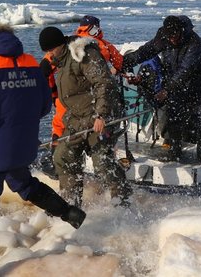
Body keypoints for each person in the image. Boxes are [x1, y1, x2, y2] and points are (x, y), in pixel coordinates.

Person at [0, 23, 86, 277]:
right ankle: (71, 213)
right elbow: (45, 104)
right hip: (21, 147)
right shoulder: (29, 61)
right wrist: (18, 124)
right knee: (26, 185)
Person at [38, 26, 132, 207]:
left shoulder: (83, 54)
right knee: (63, 156)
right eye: (47, 51)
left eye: (51, 49)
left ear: (61, 44)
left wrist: (101, 115)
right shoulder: (60, 60)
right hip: (76, 119)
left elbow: (103, 83)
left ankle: (122, 201)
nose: (49, 54)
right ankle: (70, 205)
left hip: (99, 117)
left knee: (102, 162)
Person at [121, 15, 201, 165]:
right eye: (169, 36)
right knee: (173, 112)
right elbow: (146, 51)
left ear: (182, 31)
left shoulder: (195, 43)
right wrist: (123, 63)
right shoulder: (164, 36)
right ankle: (175, 149)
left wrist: (166, 90)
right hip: (177, 82)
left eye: (175, 36)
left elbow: (185, 70)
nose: (172, 40)